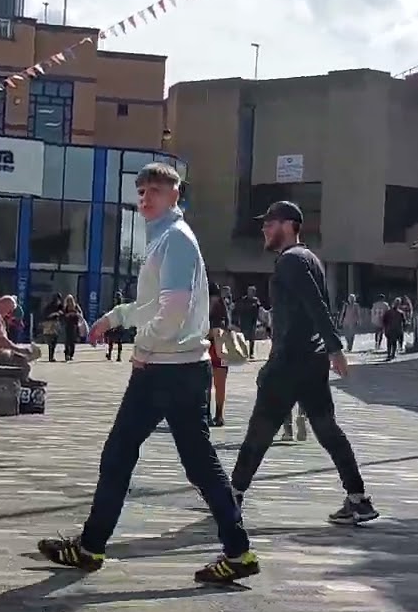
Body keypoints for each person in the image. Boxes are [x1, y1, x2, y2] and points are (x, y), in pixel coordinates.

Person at [35, 162, 257, 584]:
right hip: (178, 368)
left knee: (127, 455)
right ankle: (236, 551)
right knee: (182, 462)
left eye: (156, 189)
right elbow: (157, 303)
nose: (146, 197)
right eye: (141, 191)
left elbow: (172, 310)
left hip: (165, 369)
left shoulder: (175, 240)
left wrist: (143, 347)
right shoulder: (165, 241)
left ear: (176, 195)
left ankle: (92, 547)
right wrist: (115, 317)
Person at [230, 200, 378, 526]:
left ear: (288, 225)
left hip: (289, 362)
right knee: (327, 430)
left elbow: (315, 305)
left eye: (270, 223)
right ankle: (359, 500)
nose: (264, 229)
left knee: (260, 431)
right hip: (310, 363)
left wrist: (336, 348)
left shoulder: (291, 261)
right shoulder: (309, 259)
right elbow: (316, 306)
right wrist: (328, 350)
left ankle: (233, 497)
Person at [0, 296, 42, 385]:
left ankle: (23, 381)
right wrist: (20, 350)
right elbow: (2, 341)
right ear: (5, 307)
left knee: (16, 355)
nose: (9, 314)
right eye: (10, 310)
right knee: (21, 359)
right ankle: (23, 384)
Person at [207, 282, 230, 427]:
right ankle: (211, 414)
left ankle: (218, 414)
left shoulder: (219, 311)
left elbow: (220, 329)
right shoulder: (222, 309)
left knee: (218, 385)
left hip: (217, 349)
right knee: (209, 385)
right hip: (214, 349)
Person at [233, 286, 262, 358]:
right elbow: (239, 309)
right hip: (244, 321)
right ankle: (243, 352)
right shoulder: (244, 300)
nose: (250, 293)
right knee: (243, 337)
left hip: (252, 321)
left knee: (252, 338)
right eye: (249, 291)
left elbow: (258, 309)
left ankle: (251, 353)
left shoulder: (256, 300)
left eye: (252, 292)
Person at [61, 294, 85, 361]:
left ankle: (71, 354)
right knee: (67, 341)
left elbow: (80, 314)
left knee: (72, 341)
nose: (69, 302)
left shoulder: (76, 307)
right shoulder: (65, 308)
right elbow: (63, 316)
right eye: (68, 300)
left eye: (70, 300)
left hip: (74, 326)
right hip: (67, 326)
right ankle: (67, 354)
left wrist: (76, 315)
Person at [41, 293, 64, 362]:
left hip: (56, 325)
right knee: (50, 341)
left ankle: (51, 356)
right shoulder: (50, 306)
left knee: (54, 341)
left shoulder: (60, 306)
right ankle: (51, 356)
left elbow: (63, 314)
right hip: (50, 325)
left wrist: (60, 314)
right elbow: (45, 315)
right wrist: (53, 315)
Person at [104, 291, 126, 361]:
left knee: (111, 340)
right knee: (119, 341)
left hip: (115, 324)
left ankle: (111, 355)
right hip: (120, 325)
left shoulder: (115, 307)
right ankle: (118, 356)